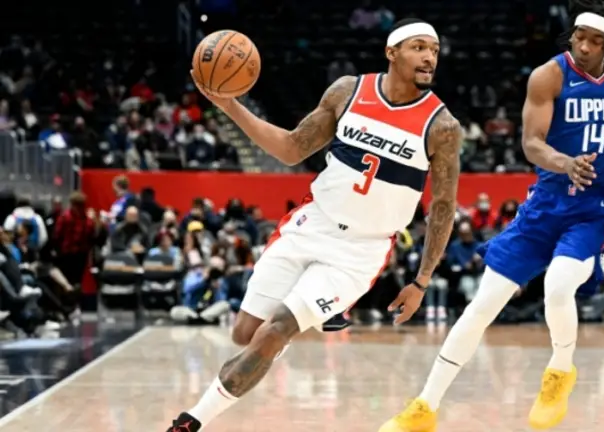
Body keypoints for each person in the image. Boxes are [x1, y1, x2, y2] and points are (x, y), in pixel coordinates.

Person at [166, 18, 462, 432]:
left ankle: (190, 422)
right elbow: (292, 149)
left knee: (274, 332)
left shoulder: (442, 127)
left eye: (434, 49)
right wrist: (230, 105)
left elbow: (444, 207)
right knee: (245, 334)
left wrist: (421, 281)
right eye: (418, 47)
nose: (429, 57)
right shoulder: (348, 92)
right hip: (312, 224)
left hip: (359, 251)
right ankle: (282, 337)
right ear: (391, 52)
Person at [379, 1, 604, 430]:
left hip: (590, 212)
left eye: (594, 41)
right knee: (482, 305)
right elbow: (531, 143)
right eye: (578, 37)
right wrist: (565, 162)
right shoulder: (549, 75)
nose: (583, 46)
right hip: (543, 207)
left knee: (558, 286)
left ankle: (559, 373)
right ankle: (424, 406)